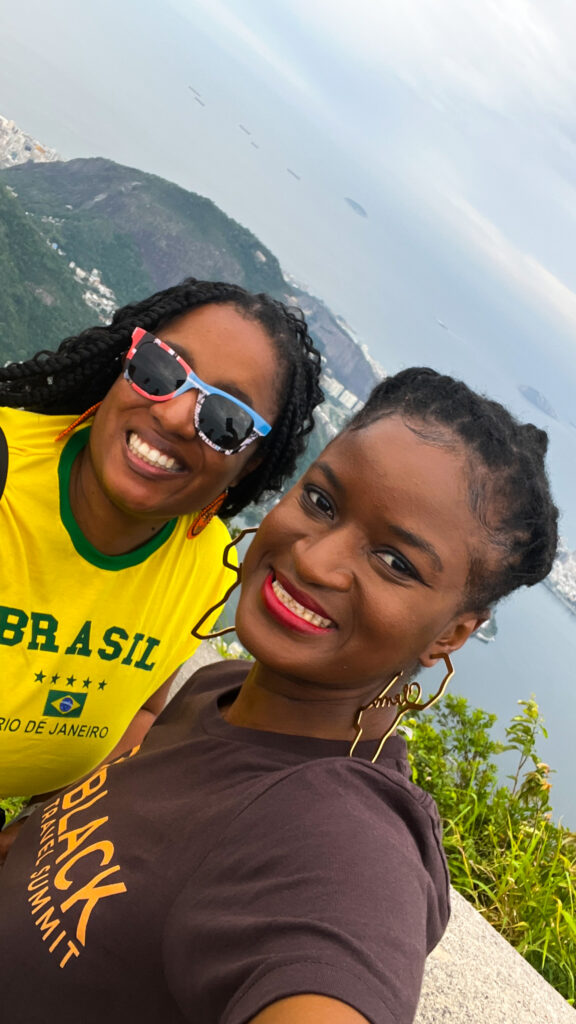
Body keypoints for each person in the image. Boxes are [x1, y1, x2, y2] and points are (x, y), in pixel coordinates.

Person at [0, 368, 558, 1024]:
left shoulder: (344, 844)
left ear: (453, 633)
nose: (317, 561)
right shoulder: (225, 691)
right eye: (323, 502)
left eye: (396, 563)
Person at [0, 277, 323, 804]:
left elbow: (143, 710)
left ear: (250, 463)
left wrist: (38, 832)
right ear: (125, 360)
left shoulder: (207, 569)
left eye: (224, 419)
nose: (172, 414)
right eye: (161, 369)